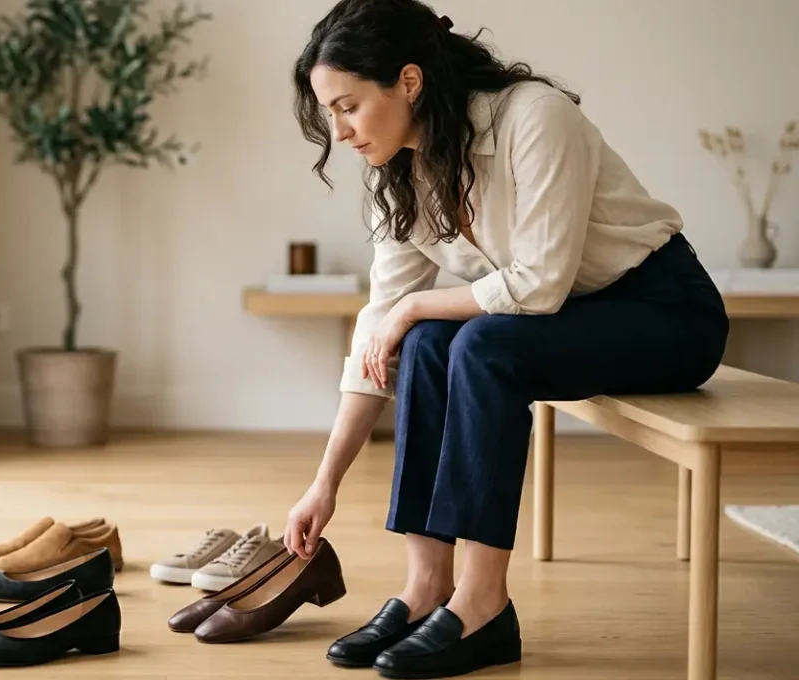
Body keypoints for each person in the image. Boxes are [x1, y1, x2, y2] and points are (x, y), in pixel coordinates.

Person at [283, 0, 729, 677]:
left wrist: (414, 309)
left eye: (347, 107)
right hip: (567, 322)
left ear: (408, 81)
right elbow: (381, 329)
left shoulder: (536, 117)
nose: (339, 132)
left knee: (478, 344)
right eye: (330, 114)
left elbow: (541, 283)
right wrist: (324, 485)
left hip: (665, 314)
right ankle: (428, 587)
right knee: (431, 341)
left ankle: (483, 603)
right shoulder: (399, 172)